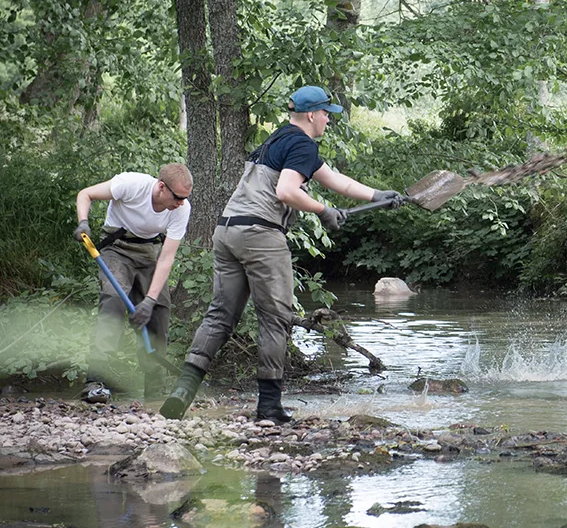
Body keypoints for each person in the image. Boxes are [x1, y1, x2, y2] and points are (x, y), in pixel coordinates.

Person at [159, 85, 403, 422]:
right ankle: (269, 407)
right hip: (261, 234)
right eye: (326, 116)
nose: (328, 122)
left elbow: (335, 180)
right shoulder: (302, 143)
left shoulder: (277, 140)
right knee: (275, 319)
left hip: (228, 231)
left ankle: (182, 392)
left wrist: (377, 194)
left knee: (219, 316)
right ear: (311, 115)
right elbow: (286, 191)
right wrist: (323, 210)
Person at [74, 163, 193, 403]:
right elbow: (85, 194)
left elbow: (166, 258)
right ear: (161, 187)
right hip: (117, 250)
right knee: (114, 303)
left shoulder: (181, 209)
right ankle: (95, 382)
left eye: (185, 198)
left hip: (149, 254)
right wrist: (83, 222)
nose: (181, 203)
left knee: (158, 311)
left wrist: (149, 300)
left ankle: (155, 391)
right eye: (178, 197)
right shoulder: (131, 185)